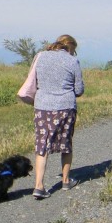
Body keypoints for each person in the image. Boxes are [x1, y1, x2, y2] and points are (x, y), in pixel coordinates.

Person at [30, 34, 84, 199]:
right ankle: (66, 181)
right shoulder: (72, 61)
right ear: (70, 47)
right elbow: (79, 90)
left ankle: (39, 186)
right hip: (65, 107)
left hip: (42, 106)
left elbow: (34, 80)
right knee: (65, 143)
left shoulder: (40, 56)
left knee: (42, 144)